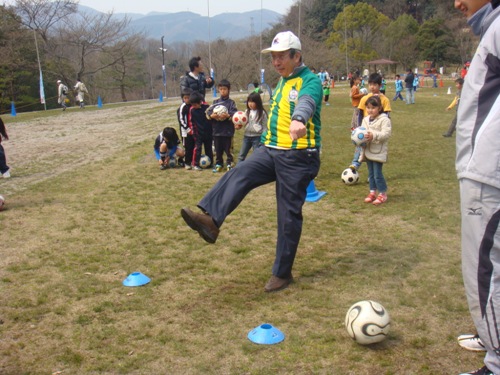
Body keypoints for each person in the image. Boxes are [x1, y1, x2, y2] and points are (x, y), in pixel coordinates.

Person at [181, 30, 322, 293]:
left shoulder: (309, 81)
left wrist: (299, 120)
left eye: (282, 57)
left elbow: (307, 102)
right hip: (272, 150)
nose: (276, 62)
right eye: (274, 57)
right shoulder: (281, 82)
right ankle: (211, 220)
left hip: (299, 155)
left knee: (287, 215)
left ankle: (282, 273)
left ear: (297, 56)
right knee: (241, 171)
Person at [453, 0, 500, 374]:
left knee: (486, 269)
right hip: (483, 170)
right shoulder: (492, 26)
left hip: (488, 173)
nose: (456, 3)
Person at [350, 73, 391, 171]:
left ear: (380, 86)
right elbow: (359, 113)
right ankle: (355, 164)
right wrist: (358, 127)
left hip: (376, 129)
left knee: (373, 150)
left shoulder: (384, 100)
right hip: (365, 128)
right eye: (370, 84)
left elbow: (387, 115)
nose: (372, 87)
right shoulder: (364, 98)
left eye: (375, 85)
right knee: (360, 146)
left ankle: (372, 173)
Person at [360, 96, 391, 205]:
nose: (370, 110)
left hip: (378, 151)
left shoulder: (384, 120)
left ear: (380, 108)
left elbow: (386, 134)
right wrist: (358, 137)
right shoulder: (365, 120)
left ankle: (382, 193)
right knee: (371, 174)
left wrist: (374, 135)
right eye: (368, 107)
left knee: (377, 174)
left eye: (373, 107)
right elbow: (362, 132)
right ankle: (372, 191)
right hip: (367, 150)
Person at [206, 79, 238, 172]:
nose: (222, 91)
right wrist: (212, 116)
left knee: (228, 149)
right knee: (217, 149)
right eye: (220, 89)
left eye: (224, 89)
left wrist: (228, 116)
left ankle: (230, 163)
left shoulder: (231, 103)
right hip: (216, 130)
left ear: (228, 90)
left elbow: (235, 115)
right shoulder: (215, 102)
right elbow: (208, 113)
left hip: (228, 131)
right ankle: (219, 163)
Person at [237, 92, 268, 162]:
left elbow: (264, 126)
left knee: (256, 155)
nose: (250, 104)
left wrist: (264, 138)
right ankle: (238, 169)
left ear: (257, 102)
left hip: (257, 137)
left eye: (252, 101)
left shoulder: (262, 113)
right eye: (249, 101)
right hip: (247, 137)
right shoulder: (247, 112)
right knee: (241, 155)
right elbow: (242, 122)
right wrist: (238, 126)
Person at [189, 91, 213, 171]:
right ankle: (195, 164)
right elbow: (191, 121)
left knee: (208, 148)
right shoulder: (192, 110)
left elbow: (211, 118)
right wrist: (193, 132)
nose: (194, 106)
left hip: (208, 132)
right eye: (192, 105)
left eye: (195, 105)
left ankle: (211, 163)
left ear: (200, 102)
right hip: (198, 133)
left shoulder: (207, 107)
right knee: (197, 148)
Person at [177, 88, 193, 168]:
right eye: (185, 98)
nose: (187, 99)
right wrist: (187, 129)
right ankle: (187, 163)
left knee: (194, 146)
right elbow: (181, 119)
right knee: (188, 147)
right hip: (185, 132)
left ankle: (193, 161)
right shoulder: (182, 107)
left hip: (193, 130)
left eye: (188, 97)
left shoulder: (193, 105)